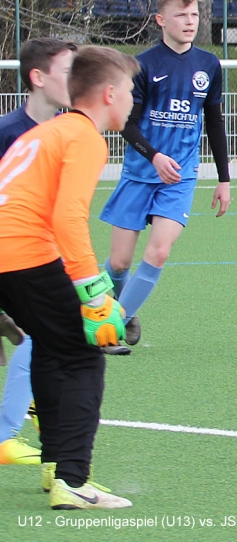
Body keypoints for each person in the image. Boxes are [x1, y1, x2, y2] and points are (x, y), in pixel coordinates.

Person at [0, 45, 139, 508]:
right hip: (23, 253)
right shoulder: (84, 137)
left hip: (9, 256)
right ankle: (73, 481)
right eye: (130, 91)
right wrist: (94, 294)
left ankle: (54, 467)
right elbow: (68, 217)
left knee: (50, 346)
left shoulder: (47, 132)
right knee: (83, 354)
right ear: (109, 93)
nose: (133, 101)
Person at [100, 0, 231, 351]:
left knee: (159, 252)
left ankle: (110, 325)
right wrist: (154, 156)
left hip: (179, 178)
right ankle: (116, 309)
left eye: (194, 15)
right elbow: (127, 125)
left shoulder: (208, 65)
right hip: (139, 174)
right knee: (119, 263)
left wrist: (224, 179)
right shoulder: (142, 65)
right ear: (160, 20)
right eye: (181, 15)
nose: (190, 22)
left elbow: (214, 122)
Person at [0, 39, 77, 466]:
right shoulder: (8, 132)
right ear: (38, 78)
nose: (76, 81)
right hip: (12, 258)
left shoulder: (70, 132)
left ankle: (41, 446)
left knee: (46, 342)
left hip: (41, 259)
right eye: (68, 72)